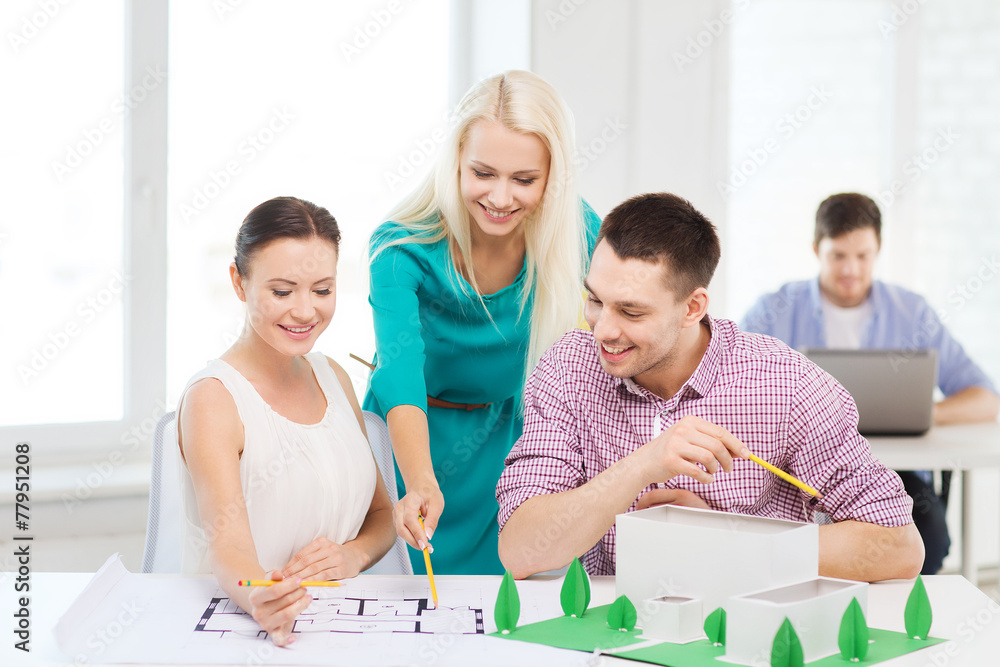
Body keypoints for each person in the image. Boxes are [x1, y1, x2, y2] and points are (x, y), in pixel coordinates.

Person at [496, 192, 924, 582]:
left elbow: (898, 546)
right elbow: (520, 551)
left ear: (693, 307)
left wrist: (723, 540)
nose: (603, 330)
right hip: (613, 627)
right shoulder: (569, 367)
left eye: (631, 312)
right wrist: (643, 465)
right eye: (595, 300)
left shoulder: (786, 383)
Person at [362, 70, 602, 575]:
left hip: (510, 446)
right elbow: (399, 373)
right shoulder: (401, 247)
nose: (500, 197)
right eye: (483, 173)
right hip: (411, 440)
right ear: (455, 162)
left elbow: (627, 323)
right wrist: (421, 481)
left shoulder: (577, 231)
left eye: (524, 180)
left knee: (505, 604)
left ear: (553, 177)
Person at [741, 192, 999, 574]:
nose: (851, 269)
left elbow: (986, 399)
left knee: (929, 540)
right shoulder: (773, 310)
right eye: (838, 256)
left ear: (878, 250)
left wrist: (923, 414)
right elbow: (732, 389)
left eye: (863, 256)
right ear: (816, 249)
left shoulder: (912, 311)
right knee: (788, 538)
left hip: (895, 474)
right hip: (798, 474)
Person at [178, 197, 395, 646]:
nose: (305, 311)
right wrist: (261, 597)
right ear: (238, 282)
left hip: (338, 627)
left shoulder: (333, 376)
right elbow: (228, 546)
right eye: (282, 292)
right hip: (245, 630)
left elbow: (383, 515)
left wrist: (352, 556)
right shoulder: (213, 399)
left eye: (322, 290)